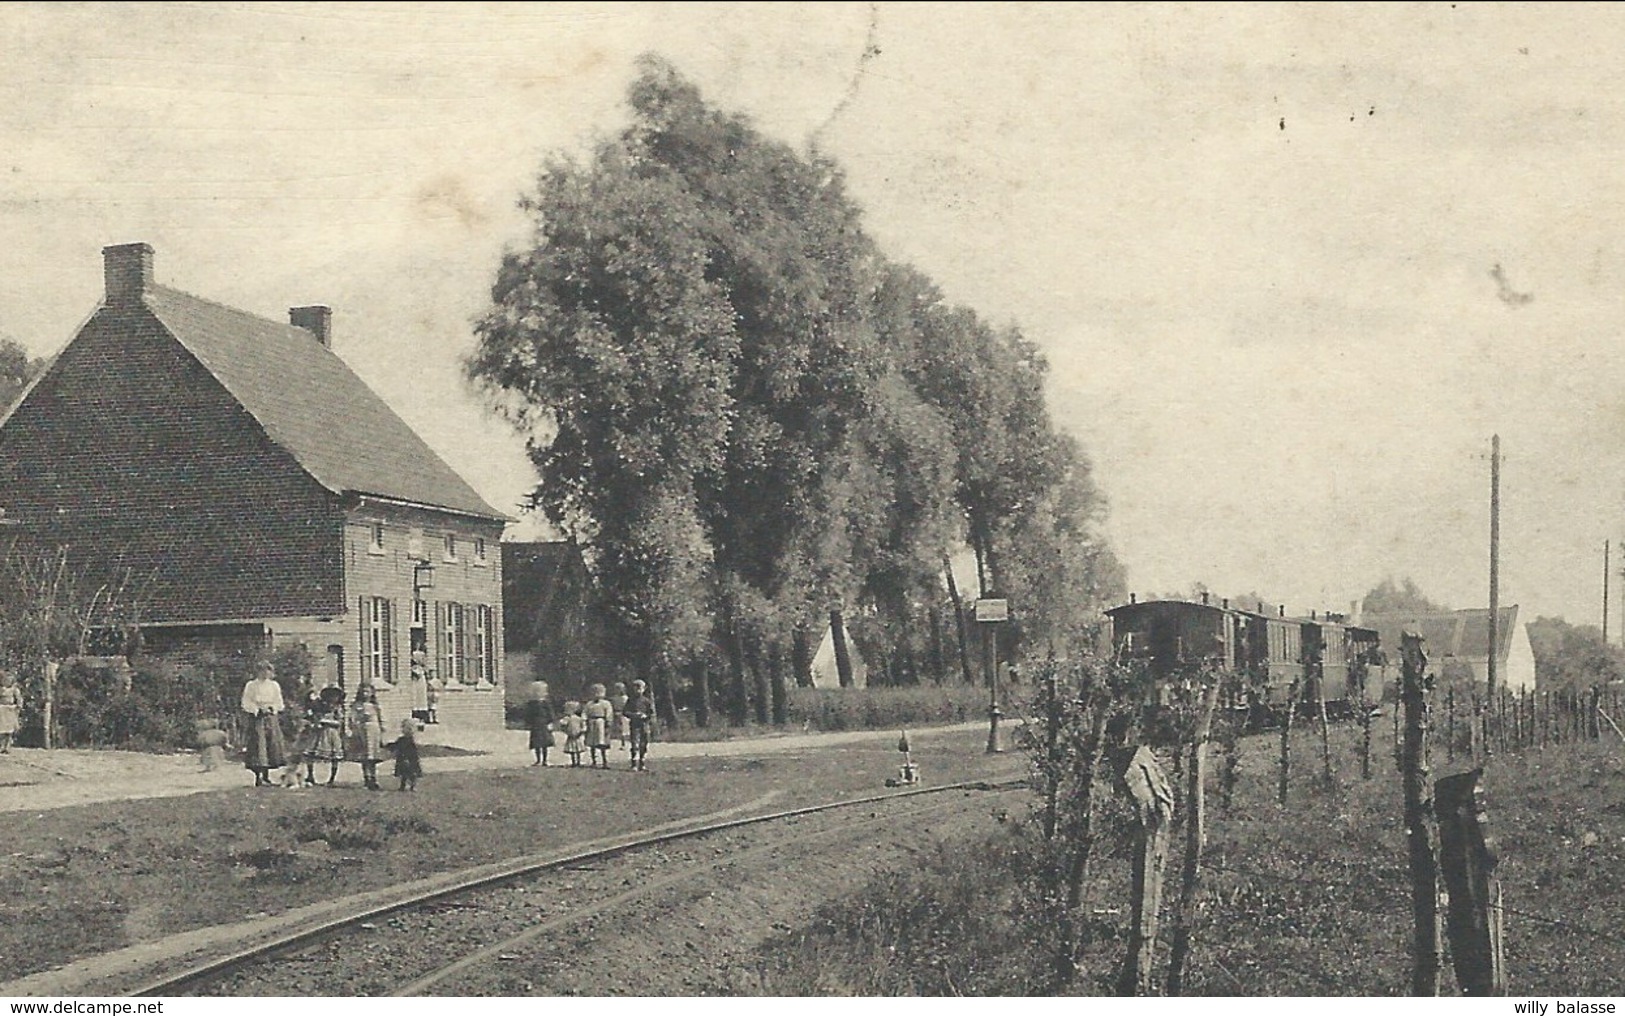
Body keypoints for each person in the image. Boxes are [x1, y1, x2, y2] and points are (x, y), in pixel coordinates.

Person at [240, 662, 288, 787]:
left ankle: (266, 776)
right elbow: (246, 701)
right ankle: (258, 776)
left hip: (270, 718)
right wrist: (257, 709)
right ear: (258, 671)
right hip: (257, 718)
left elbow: (279, 701)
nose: (265, 673)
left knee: (270, 745)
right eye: (263, 670)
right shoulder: (251, 685)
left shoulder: (274, 685)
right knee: (258, 746)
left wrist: (273, 708)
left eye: (268, 671)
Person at [349, 683, 386, 791]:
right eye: (363, 692)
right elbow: (352, 719)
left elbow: (381, 719)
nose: (365, 694)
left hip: (374, 730)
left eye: (368, 692)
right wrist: (355, 728)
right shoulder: (357, 705)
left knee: (373, 757)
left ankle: (374, 779)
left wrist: (383, 731)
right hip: (362, 731)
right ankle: (367, 778)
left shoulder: (375, 706)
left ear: (372, 693)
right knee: (364, 756)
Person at [308, 685, 347, 786]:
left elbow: (339, 722)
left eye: (335, 696)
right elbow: (313, 716)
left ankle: (331, 779)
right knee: (310, 753)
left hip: (332, 733)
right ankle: (310, 776)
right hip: (319, 732)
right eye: (330, 695)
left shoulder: (337, 708)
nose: (332, 698)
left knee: (334, 756)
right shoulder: (320, 706)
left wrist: (325, 721)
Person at [624, 679, 655, 772]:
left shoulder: (646, 701)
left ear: (644, 689)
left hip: (644, 724)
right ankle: (634, 764)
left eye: (640, 688)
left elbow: (651, 713)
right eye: (635, 688)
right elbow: (625, 712)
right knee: (634, 744)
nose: (638, 690)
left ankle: (642, 763)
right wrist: (633, 715)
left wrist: (646, 716)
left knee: (644, 743)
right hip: (634, 724)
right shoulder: (631, 700)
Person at [524, 680, 555, 766]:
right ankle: (538, 760)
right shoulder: (531, 704)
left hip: (544, 724)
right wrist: (528, 723)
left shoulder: (546, 703)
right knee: (536, 743)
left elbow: (550, 713)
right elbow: (528, 714)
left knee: (545, 743)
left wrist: (550, 722)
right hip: (535, 724)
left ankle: (545, 760)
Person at [583, 683, 613, 769]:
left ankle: (604, 761)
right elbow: (585, 713)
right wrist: (584, 722)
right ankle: (594, 761)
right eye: (594, 693)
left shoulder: (606, 703)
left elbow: (609, 713)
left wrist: (608, 723)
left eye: (599, 693)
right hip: (592, 722)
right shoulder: (589, 704)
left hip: (601, 722)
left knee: (602, 743)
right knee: (592, 743)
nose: (597, 695)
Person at [390, 716, 422, 791]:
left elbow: (413, 751)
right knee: (404, 773)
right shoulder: (402, 739)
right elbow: (396, 746)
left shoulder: (411, 741)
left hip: (410, 758)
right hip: (403, 758)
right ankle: (403, 785)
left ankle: (412, 785)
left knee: (412, 773)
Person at [560, 701, 586, 768]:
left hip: (576, 736)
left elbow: (562, 724)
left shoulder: (577, 718)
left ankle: (577, 762)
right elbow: (563, 724)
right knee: (574, 750)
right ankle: (575, 762)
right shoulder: (569, 718)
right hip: (573, 736)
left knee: (576, 749)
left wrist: (580, 732)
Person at [0, 670, 20, 754]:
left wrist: (17, 707)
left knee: (10, 729)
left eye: (9, 680)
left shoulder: (14, 690)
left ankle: (8, 747)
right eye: (5, 680)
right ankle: (2, 746)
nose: (7, 682)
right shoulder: (1, 689)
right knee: (2, 729)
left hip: (11, 709)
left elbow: (19, 699)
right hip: (1, 709)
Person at [609, 681, 630, 750]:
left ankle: (624, 743)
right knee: (616, 729)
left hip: (623, 714)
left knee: (623, 729)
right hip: (615, 713)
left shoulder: (625, 698)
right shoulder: (614, 698)